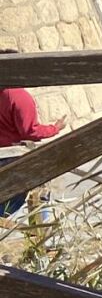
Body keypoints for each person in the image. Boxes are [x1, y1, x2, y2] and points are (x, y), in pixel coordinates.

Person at [1, 53, 65, 216]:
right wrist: (55, 128)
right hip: (11, 156)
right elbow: (30, 131)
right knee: (40, 188)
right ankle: (41, 225)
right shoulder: (18, 95)